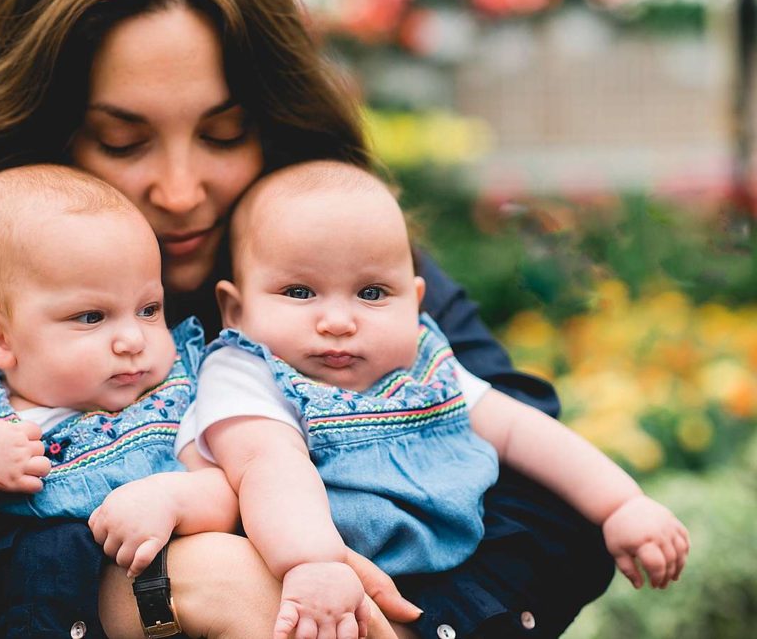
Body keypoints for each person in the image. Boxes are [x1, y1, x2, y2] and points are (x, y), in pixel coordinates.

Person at [0, 0, 617, 637]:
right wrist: (155, 588)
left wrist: (391, 626)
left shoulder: (322, 249)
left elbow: (549, 503)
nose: (182, 191)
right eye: (122, 139)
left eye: (224, 134)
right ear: (41, 127)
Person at [182, 161, 690, 639]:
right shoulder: (247, 370)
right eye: (299, 292)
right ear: (235, 309)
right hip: (314, 574)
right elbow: (268, 465)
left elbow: (517, 427)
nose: (338, 321)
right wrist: (311, 563)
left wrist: (621, 503)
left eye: (373, 293)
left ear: (417, 303)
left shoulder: (423, 363)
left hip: (448, 583)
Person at [0, 165, 234, 569]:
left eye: (148, 309)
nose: (134, 340)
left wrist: (171, 498)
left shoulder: (169, 403)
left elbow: (227, 493)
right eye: (91, 317)